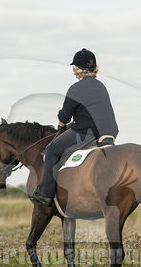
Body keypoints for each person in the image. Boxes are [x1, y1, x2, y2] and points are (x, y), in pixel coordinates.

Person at [31, 48, 119, 206]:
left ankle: (46, 194)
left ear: (80, 69)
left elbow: (64, 118)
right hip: (108, 131)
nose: (73, 70)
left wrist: (61, 126)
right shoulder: (101, 86)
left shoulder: (75, 88)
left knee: (51, 150)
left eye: (75, 67)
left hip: (88, 132)